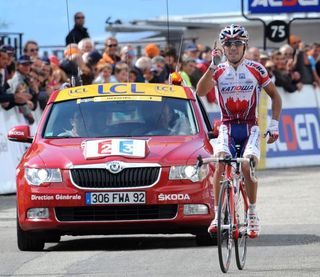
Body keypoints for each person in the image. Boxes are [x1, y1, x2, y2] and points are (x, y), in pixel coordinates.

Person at [197, 24, 282, 237]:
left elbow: (276, 96)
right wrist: (212, 66)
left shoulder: (256, 68)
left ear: (245, 46)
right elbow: (200, 91)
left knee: (246, 166)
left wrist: (274, 126)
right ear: (222, 48)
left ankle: (252, 212)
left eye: (237, 43)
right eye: (228, 44)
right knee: (220, 161)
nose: (233, 48)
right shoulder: (219, 70)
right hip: (226, 126)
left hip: (250, 127)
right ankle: (218, 215)